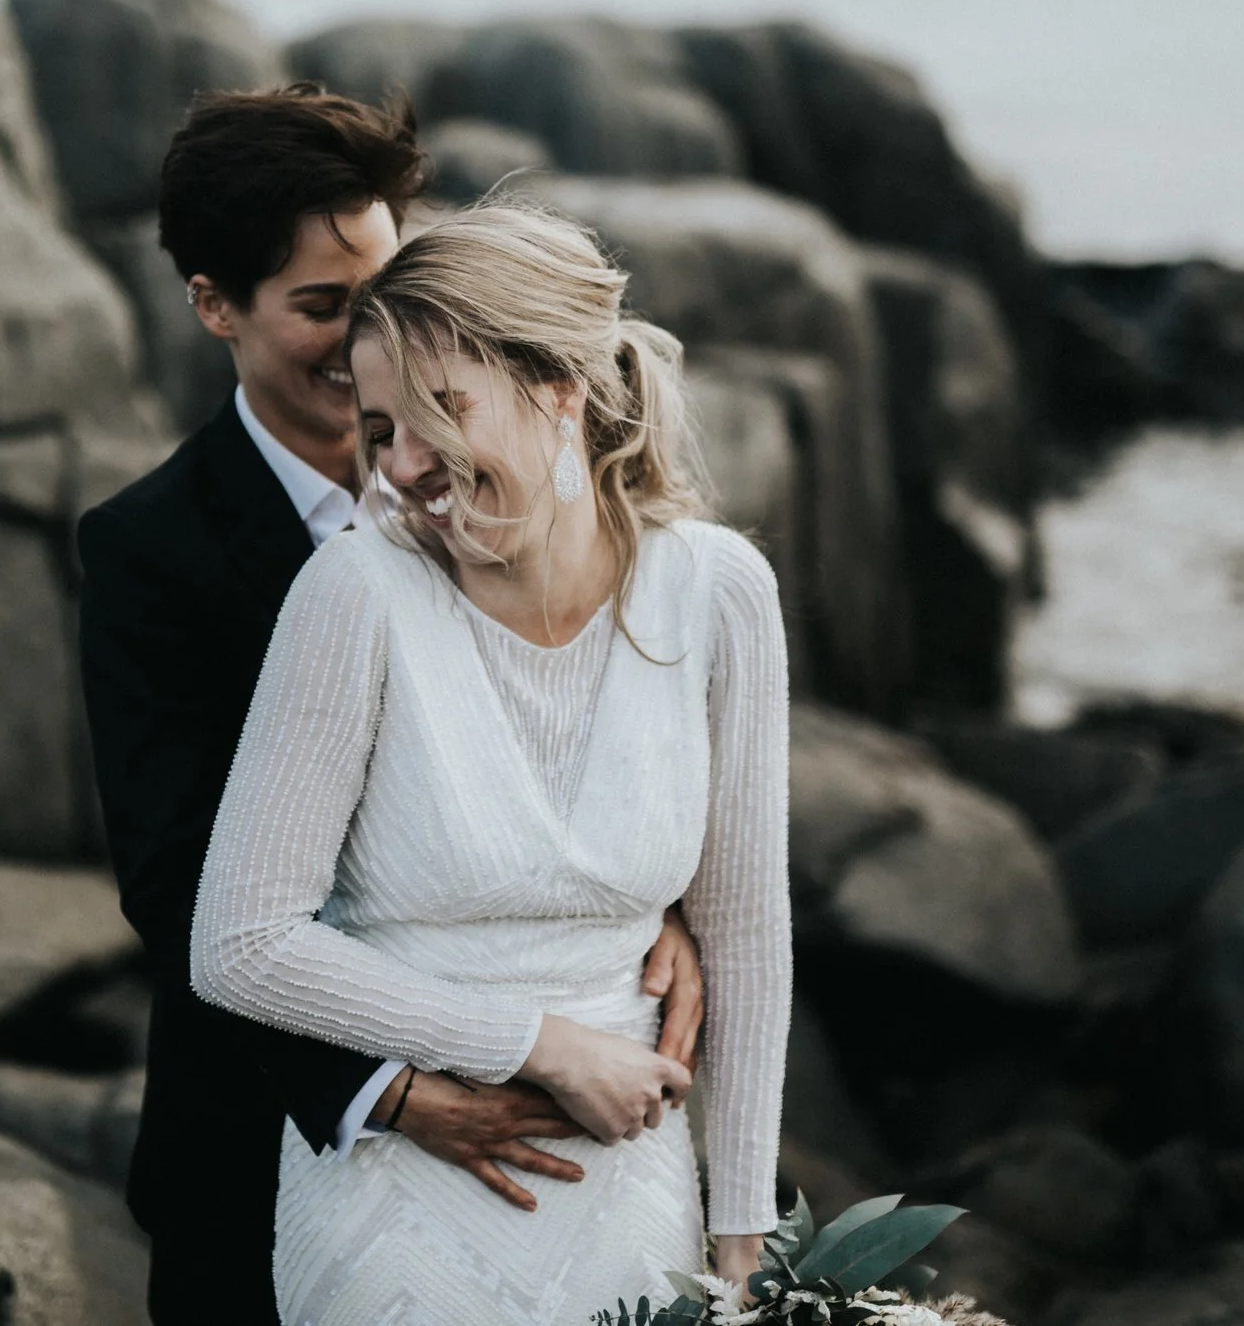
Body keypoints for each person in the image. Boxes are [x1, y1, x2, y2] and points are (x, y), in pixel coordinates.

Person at [77, 87, 707, 1326]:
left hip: (589, 1120)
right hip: (283, 1127)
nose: (364, 336)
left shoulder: (546, 496)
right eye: (321, 306)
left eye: (380, 290)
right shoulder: (153, 551)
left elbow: (618, 714)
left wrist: (664, 894)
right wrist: (398, 1091)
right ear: (214, 304)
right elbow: (177, 878)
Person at [191, 202, 792, 1323]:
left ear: (560, 384)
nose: (406, 464)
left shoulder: (717, 593)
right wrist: (537, 1043)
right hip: (396, 1214)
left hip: (633, 1192)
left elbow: (745, 935)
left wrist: (742, 1247)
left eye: (440, 411)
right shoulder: (353, 591)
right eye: (380, 430)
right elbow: (238, 943)